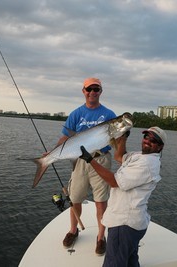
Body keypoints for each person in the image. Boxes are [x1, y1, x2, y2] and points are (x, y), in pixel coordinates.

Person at [79, 126, 167, 267]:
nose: (147, 141)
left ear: (160, 147)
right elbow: (119, 156)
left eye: (153, 140)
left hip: (124, 224)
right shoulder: (141, 156)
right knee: (130, 260)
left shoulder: (147, 163)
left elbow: (114, 182)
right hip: (133, 223)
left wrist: (90, 160)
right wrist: (123, 138)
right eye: (146, 137)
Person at [58, 77, 116, 255]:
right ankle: (73, 230)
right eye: (89, 89)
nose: (92, 92)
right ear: (83, 91)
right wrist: (51, 152)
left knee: (101, 201)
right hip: (80, 161)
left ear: (100, 92)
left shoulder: (109, 115)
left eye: (96, 89)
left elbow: (117, 139)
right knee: (75, 198)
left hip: (101, 160)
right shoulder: (76, 113)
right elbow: (65, 137)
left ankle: (100, 237)